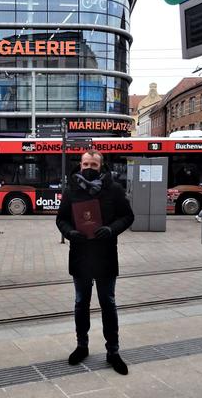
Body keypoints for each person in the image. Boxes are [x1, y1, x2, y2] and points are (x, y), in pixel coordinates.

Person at [56, 150, 135, 375]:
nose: (89, 167)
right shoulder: (71, 191)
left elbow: (128, 216)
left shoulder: (114, 189)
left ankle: (113, 351)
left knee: (108, 303)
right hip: (80, 256)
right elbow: (61, 219)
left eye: (94, 164)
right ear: (80, 165)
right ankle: (82, 346)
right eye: (86, 163)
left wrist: (111, 229)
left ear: (102, 166)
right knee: (81, 303)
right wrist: (71, 232)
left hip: (105, 255)